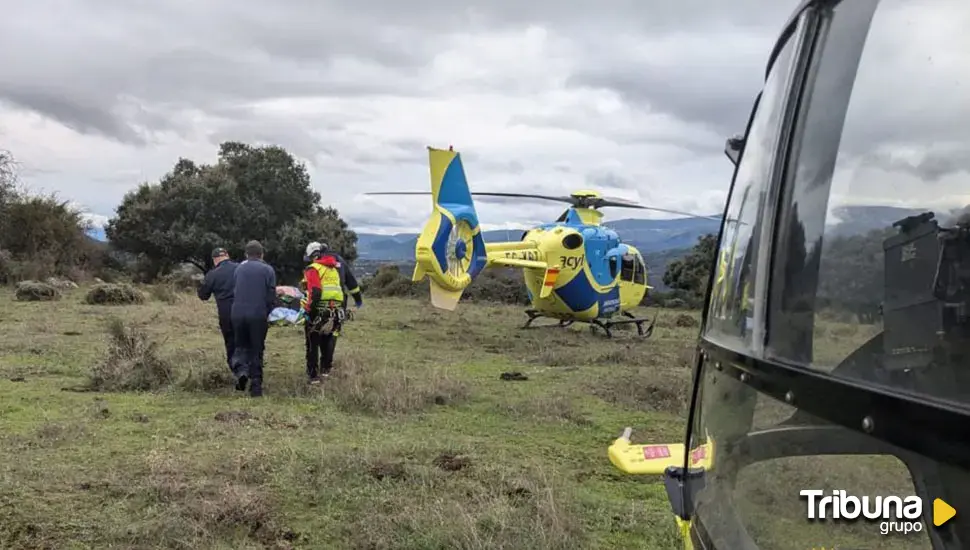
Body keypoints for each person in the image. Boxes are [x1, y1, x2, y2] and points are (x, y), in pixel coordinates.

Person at [300, 241, 362, 383]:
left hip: (319, 309)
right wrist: (358, 301)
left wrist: (309, 311)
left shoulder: (313, 268)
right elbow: (350, 284)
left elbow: (315, 292)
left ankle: (313, 376)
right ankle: (326, 370)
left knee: (312, 342)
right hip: (336, 310)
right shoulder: (333, 267)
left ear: (312, 256)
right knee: (329, 338)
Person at [230, 240, 276, 397]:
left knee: (241, 346)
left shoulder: (238, 269)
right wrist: (268, 312)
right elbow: (271, 296)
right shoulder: (268, 270)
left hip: (237, 313)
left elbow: (235, 290)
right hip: (257, 314)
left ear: (246, 254)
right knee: (257, 348)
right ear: (261, 254)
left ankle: (241, 372)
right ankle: (256, 386)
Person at [196, 247, 239, 374]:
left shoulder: (212, 274)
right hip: (244, 309)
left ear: (215, 260)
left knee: (231, 343)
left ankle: (237, 371)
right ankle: (250, 368)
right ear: (228, 255)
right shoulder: (240, 268)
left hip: (226, 313)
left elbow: (203, 295)